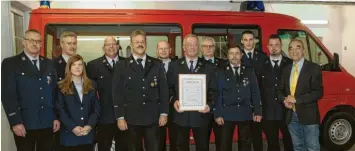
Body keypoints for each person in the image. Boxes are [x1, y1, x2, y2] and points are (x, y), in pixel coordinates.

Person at [1, 29, 60, 151]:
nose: (35, 44)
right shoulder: (10, 63)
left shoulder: (49, 64)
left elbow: (55, 93)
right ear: (23, 42)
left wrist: (55, 116)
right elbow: (8, 95)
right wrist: (15, 121)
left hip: (47, 122)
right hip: (24, 123)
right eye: (31, 40)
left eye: (38, 41)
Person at [112, 30, 169, 151]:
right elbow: (117, 93)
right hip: (131, 118)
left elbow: (163, 90)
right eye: (136, 42)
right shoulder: (121, 66)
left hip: (153, 118)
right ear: (131, 44)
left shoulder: (157, 64)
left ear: (146, 43)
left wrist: (164, 113)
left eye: (142, 41)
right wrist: (120, 117)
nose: (140, 44)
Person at [167, 34, 218, 151]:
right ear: (184, 47)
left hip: (201, 115)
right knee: (181, 147)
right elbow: (168, 88)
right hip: (180, 115)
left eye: (195, 44)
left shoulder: (209, 66)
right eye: (189, 45)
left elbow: (214, 90)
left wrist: (209, 105)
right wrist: (174, 101)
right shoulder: (174, 65)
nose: (192, 47)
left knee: (203, 147)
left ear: (199, 47)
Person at [278, 39, 323, 151]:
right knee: (298, 147)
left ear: (303, 50)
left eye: (298, 47)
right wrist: (284, 99)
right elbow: (280, 90)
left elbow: (318, 92)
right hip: (291, 116)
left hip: (309, 116)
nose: (294, 51)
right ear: (288, 52)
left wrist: (296, 100)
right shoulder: (286, 69)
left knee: (312, 147)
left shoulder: (313, 68)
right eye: (291, 48)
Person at [214, 44, 262, 151]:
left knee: (245, 145)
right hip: (226, 114)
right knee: (225, 145)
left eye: (237, 53)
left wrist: (257, 111)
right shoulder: (221, 72)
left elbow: (255, 92)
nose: (234, 56)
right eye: (231, 53)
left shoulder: (249, 71)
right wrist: (217, 114)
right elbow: (218, 94)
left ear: (241, 55)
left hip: (245, 113)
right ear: (227, 56)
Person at [86, 36, 127, 151]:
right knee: (103, 147)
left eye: (113, 44)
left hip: (125, 117)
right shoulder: (93, 66)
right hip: (103, 118)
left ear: (118, 47)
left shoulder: (127, 63)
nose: (111, 47)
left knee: (123, 147)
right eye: (108, 45)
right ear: (103, 48)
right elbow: (90, 94)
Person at [57, 54, 100, 151]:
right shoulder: (61, 86)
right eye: (74, 64)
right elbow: (60, 110)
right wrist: (73, 127)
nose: (77, 67)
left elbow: (96, 108)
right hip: (69, 135)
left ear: (83, 67)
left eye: (80, 64)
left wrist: (90, 125)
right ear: (69, 67)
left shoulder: (92, 85)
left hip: (87, 135)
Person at [258, 34, 293, 151]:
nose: (274, 48)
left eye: (277, 45)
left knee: (289, 141)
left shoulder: (290, 64)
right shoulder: (261, 65)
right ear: (267, 47)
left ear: (281, 46)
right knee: (272, 144)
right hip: (268, 112)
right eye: (271, 45)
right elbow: (257, 89)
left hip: (287, 111)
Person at [240, 30, 267, 151]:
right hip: (242, 102)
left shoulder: (262, 57)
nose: (248, 42)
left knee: (257, 136)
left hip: (258, 102)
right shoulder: (236, 56)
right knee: (243, 137)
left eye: (251, 39)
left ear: (255, 41)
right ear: (242, 42)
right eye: (245, 40)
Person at [200, 36, 226, 150]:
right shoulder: (197, 64)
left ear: (215, 48)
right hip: (203, 110)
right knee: (203, 142)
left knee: (222, 142)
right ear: (201, 48)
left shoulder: (224, 64)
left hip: (220, 108)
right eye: (206, 46)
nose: (208, 48)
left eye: (211, 46)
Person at [155, 40, 177, 151]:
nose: (163, 51)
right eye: (161, 48)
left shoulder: (177, 64)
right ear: (156, 51)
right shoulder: (151, 65)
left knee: (175, 139)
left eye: (166, 48)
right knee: (159, 140)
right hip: (157, 108)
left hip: (175, 108)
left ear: (170, 50)